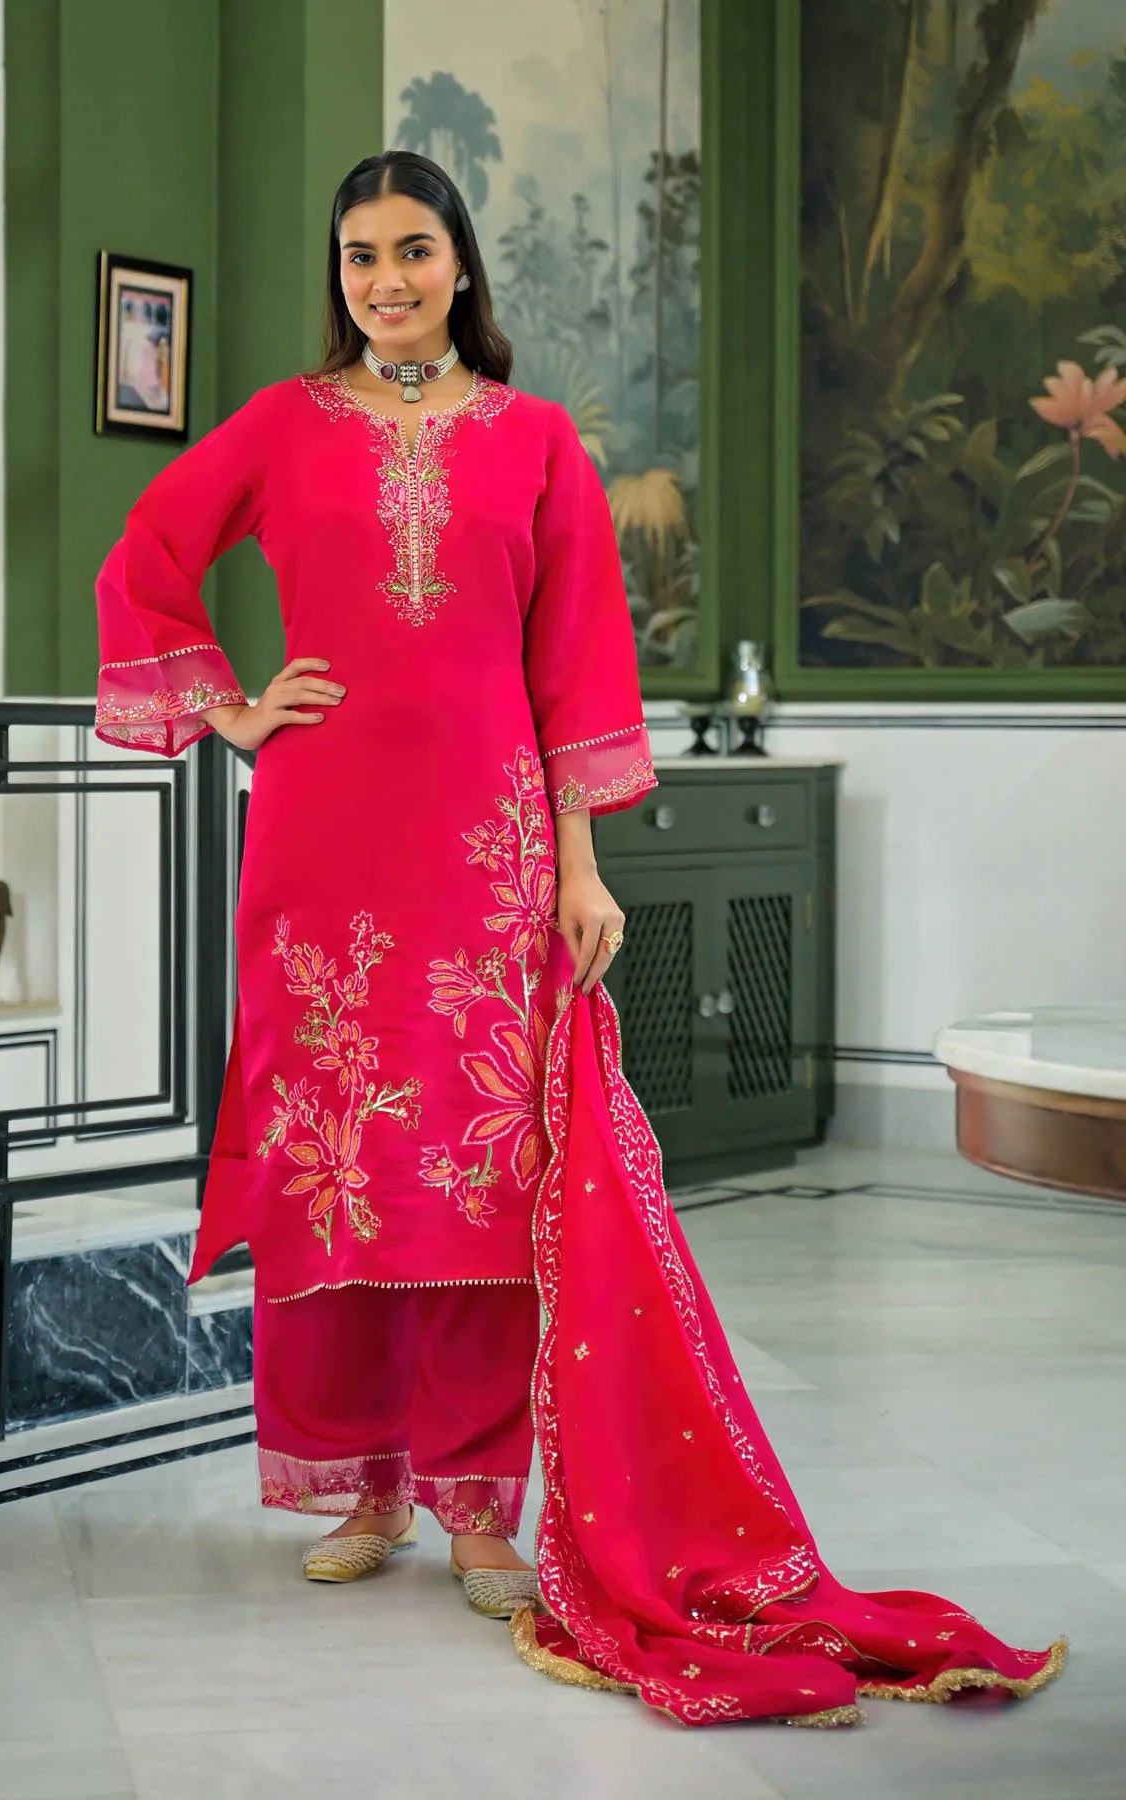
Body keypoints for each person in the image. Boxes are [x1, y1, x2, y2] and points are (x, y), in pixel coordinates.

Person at [95, 151, 1065, 1728]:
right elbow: (142, 566)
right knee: (340, 1164)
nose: (386, 280)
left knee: (480, 1175)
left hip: (487, 843)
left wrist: (582, 862)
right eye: (358, 257)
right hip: (324, 839)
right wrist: (232, 710)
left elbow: (576, 661)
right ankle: (364, 1494)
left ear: (462, 266)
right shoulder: (281, 424)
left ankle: (478, 1499)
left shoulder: (536, 444)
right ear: (335, 273)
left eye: (414, 251)